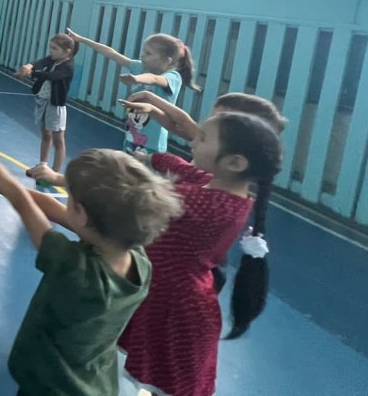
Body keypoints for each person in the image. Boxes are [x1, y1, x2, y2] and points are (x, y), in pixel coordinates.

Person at [0, 145, 181, 396]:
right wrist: (1, 188)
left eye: (70, 199)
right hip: (94, 383)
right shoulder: (139, 261)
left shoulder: (76, 269)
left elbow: (26, 207)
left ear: (82, 215)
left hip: (51, 386)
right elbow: (52, 209)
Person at [117, 112, 283, 396]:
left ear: (234, 163)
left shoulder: (204, 203)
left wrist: (68, 177)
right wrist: (151, 158)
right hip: (171, 296)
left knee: (169, 384)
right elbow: (182, 167)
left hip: (176, 309)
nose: (194, 141)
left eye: (203, 138)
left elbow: (140, 196)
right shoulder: (229, 193)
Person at [67, 28, 199, 154]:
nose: (142, 55)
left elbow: (154, 79)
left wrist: (136, 78)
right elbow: (111, 53)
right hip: (131, 137)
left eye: (148, 53)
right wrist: (82, 39)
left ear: (166, 60)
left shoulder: (173, 77)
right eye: (143, 51)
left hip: (152, 146)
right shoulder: (141, 67)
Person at [14, 32, 77, 179]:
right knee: (46, 135)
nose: (51, 51)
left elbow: (52, 76)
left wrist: (31, 74)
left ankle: (54, 174)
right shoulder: (53, 59)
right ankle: (42, 166)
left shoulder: (67, 66)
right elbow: (41, 62)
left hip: (55, 106)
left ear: (67, 51)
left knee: (58, 139)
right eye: (51, 48)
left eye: (55, 48)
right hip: (43, 102)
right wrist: (30, 66)